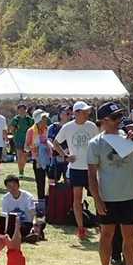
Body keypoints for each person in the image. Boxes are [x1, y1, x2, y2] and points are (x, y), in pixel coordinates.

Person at [87, 101, 133, 265]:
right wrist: (97, 200)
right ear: (104, 121)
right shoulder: (95, 143)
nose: (119, 121)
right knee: (106, 236)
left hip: (129, 196)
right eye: (115, 117)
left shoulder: (129, 139)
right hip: (108, 198)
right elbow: (91, 175)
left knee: (129, 236)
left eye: (120, 116)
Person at [54, 101, 100, 241]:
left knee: (97, 197)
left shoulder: (92, 126)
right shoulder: (68, 127)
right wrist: (65, 156)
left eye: (87, 112)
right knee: (77, 199)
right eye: (84, 112)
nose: (87, 114)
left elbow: (99, 143)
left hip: (91, 168)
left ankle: (101, 224)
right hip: (76, 168)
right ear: (76, 113)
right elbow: (56, 143)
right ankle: (81, 228)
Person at [0, 174, 37, 241]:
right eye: (9, 186)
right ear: (6, 187)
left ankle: (19, 237)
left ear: (18, 185)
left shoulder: (28, 197)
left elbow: (33, 212)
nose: (12, 188)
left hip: (25, 223)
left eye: (14, 185)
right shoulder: (5, 199)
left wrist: (34, 224)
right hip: (12, 224)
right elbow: (5, 215)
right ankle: (24, 238)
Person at [25, 111, 52, 202]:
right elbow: (26, 147)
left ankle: (50, 198)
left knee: (52, 179)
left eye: (45, 118)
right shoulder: (31, 131)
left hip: (49, 158)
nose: (45, 120)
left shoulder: (48, 129)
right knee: (40, 182)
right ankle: (41, 201)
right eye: (43, 118)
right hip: (37, 160)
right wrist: (33, 147)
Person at [10, 105, 33, 177]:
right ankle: (20, 172)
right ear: (18, 110)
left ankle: (22, 168)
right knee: (19, 156)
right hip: (18, 140)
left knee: (25, 157)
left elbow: (32, 130)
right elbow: (12, 130)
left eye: (23, 110)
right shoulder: (15, 119)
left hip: (27, 140)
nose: (22, 111)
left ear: (26, 110)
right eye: (20, 110)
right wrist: (15, 137)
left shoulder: (30, 119)